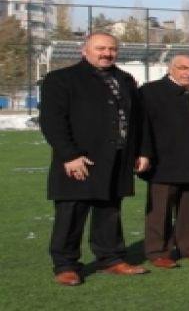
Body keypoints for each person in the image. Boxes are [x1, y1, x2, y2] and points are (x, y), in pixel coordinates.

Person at [40, 32, 149, 286]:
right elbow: (52, 121)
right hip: (81, 159)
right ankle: (66, 265)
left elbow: (138, 120)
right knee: (71, 213)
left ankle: (111, 259)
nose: (106, 53)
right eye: (100, 48)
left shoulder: (124, 79)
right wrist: (69, 155)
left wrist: (141, 151)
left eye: (111, 49)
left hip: (117, 158)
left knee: (109, 211)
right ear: (84, 50)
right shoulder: (61, 79)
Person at [138, 53, 189, 268]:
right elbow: (141, 126)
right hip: (163, 162)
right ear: (171, 68)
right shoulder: (150, 91)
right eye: (183, 68)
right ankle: (159, 251)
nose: (188, 73)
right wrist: (144, 153)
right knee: (160, 211)